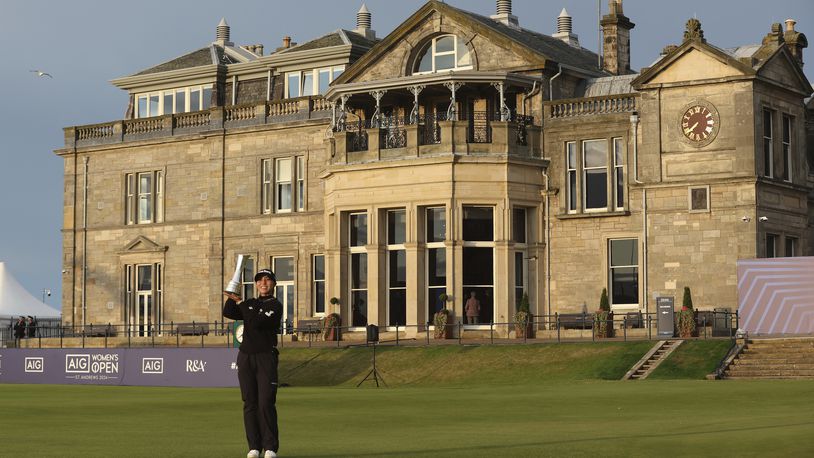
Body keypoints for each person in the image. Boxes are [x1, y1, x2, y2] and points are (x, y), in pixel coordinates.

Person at [223, 268, 283, 458]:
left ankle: (270, 448)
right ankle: (254, 447)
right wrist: (233, 294)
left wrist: (241, 303)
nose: (263, 283)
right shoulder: (250, 303)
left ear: (273, 283)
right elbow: (229, 312)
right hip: (246, 356)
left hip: (266, 356)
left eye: (267, 280)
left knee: (265, 402)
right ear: (256, 284)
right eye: (259, 280)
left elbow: (256, 322)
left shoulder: (275, 304)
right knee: (249, 402)